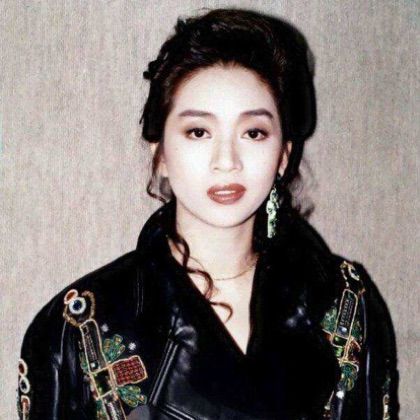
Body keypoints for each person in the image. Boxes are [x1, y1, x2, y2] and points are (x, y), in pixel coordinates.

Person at [17, 7, 399, 420]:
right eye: (198, 132)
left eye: (253, 133)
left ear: (283, 156)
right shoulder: (78, 326)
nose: (226, 161)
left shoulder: (345, 302)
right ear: (161, 153)